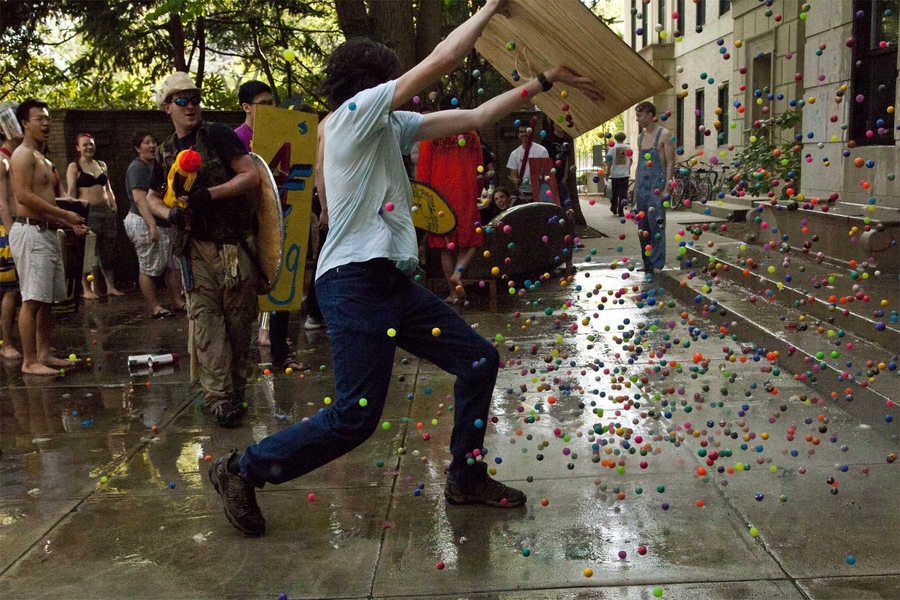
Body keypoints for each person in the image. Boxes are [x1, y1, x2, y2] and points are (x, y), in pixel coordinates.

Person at [207, 0, 602, 537]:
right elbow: (441, 58)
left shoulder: (386, 126)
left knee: (479, 361)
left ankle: (465, 479)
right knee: (355, 417)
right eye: (390, 78)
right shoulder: (352, 117)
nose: (398, 85)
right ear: (369, 83)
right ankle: (239, 470)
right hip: (353, 284)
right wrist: (489, 8)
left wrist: (544, 81)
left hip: (390, 284)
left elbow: (479, 117)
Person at [144, 72, 261, 426]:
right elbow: (151, 196)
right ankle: (218, 397)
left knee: (238, 324)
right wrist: (171, 213)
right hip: (195, 249)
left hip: (233, 247)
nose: (191, 105)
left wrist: (209, 194)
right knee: (206, 324)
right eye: (181, 100)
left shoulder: (219, 135)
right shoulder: (166, 151)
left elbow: (250, 175)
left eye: (195, 98)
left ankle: (236, 388)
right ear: (167, 108)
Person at [9, 99, 88, 375]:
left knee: (45, 300)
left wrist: (65, 224)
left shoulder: (42, 158)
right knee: (32, 299)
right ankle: (29, 361)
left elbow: (42, 201)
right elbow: (23, 197)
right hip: (29, 233)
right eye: (38, 119)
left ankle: (44, 354)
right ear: (25, 124)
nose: (45, 123)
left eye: (47, 118)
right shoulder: (22, 155)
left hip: (45, 231)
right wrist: (66, 215)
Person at [234, 80, 305, 370]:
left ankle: (280, 352)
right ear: (246, 107)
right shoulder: (236, 138)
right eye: (262, 104)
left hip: (283, 213)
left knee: (282, 282)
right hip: (248, 220)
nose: (268, 110)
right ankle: (238, 355)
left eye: (271, 103)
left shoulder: (283, 132)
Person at [416, 128, 484, 304]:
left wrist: (424, 200)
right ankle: (457, 273)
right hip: (466, 193)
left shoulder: (430, 135)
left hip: (440, 197)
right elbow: (480, 168)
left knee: (446, 248)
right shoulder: (472, 135)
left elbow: (423, 172)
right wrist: (477, 191)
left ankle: (454, 293)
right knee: (471, 242)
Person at [123, 131, 185, 319]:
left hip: (163, 222)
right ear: (137, 148)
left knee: (171, 264)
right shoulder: (137, 168)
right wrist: (151, 225)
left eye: (154, 142)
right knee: (148, 265)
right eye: (146, 142)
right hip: (143, 221)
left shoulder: (155, 166)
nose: (151, 146)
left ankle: (177, 301)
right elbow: (140, 199)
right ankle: (155, 306)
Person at [66, 133, 122, 298]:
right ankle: (87, 290)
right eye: (85, 145)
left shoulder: (101, 164)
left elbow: (108, 188)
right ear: (78, 148)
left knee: (108, 251)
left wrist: (113, 204)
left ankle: (110, 287)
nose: (89, 147)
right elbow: (71, 192)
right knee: (87, 251)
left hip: (106, 212)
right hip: (88, 213)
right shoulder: (74, 166)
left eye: (91, 144)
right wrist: (73, 214)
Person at [633, 101, 675, 276]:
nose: (637, 119)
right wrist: (635, 189)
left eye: (640, 116)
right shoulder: (640, 138)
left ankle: (658, 262)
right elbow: (639, 165)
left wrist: (668, 186)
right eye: (636, 116)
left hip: (656, 187)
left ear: (650, 115)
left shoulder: (664, 134)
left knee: (656, 224)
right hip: (642, 186)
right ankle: (647, 261)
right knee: (643, 227)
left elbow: (671, 162)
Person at [0, 102, 24, 359]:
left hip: (17, 225)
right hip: (6, 230)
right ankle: (6, 342)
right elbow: (2, 202)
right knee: (10, 289)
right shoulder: (2, 161)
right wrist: (11, 235)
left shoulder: (16, 157)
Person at [506, 122, 549, 202]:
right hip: (523, 193)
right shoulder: (514, 154)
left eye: (526, 131)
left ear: (531, 133)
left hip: (540, 191)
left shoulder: (542, 150)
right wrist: (516, 181)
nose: (523, 134)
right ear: (518, 135)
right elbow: (513, 175)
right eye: (521, 132)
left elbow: (546, 172)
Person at [540, 117, 574, 208]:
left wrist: (565, 176)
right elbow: (543, 159)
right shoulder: (547, 140)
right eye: (557, 122)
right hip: (550, 177)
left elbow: (566, 158)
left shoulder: (566, 140)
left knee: (566, 204)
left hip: (561, 178)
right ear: (553, 124)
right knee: (552, 204)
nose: (560, 125)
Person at [605, 131, 632, 217]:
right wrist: (628, 168)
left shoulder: (612, 148)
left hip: (615, 174)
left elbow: (609, 161)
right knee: (623, 193)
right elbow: (630, 160)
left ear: (616, 139)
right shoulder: (628, 147)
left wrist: (607, 171)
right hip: (624, 174)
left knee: (615, 192)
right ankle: (621, 210)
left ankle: (614, 206)